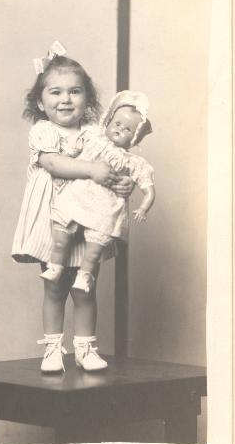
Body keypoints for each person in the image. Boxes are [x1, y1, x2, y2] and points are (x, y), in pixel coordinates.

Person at [12, 41, 133, 372]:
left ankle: (84, 347)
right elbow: (54, 165)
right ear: (40, 101)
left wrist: (123, 181)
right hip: (54, 217)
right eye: (55, 92)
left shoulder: (96, 133)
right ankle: (53, 347)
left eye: (75, 92)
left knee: (85, 285)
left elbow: (117, 161)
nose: (65, 99)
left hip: (88, 216)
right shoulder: (43, 131)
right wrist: (94, 170)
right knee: (55, 283)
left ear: (88, 99)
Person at [41, 91, 155, 293]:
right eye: (117, 123)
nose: (119, 129)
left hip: (104, 206)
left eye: (128, 129)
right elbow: (69, 154)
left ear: (134, 138)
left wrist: (144, 207)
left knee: (93, 250)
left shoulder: (132, 161)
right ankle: (55, 267)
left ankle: (85, 275)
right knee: (61, 238)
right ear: (109, 120)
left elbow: (148, 188)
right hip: (78, 195)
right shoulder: (93, 138)